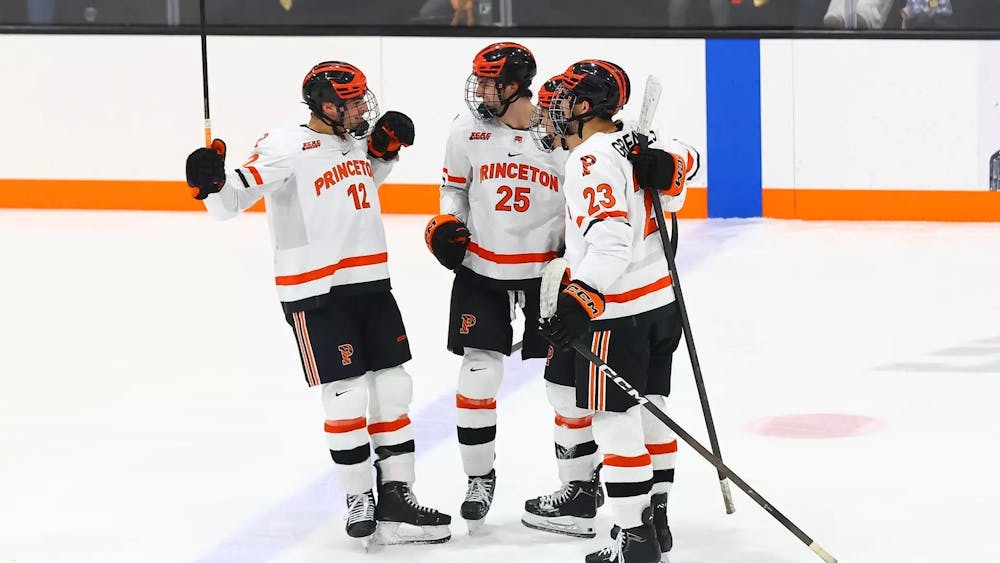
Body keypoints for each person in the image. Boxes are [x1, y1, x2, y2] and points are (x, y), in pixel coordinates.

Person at [184, 60, 451, 547]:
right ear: (327, 106)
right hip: (316, 291)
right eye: (352, 102)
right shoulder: (284, 147)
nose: (362, 108)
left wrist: (384, 153)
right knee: (345, 392)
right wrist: (211, 182)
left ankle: (398, 498)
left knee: (394, 387)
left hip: (371, 282)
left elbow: (359, 183)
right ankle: (358, 497)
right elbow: (228, 204)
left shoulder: (350, 142)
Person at [423, 43, 602, 535]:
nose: (481, 91)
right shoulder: (466, 130)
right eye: (479, 81)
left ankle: (580, 483)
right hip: (482, 270)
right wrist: (445, 224)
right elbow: (454, 190)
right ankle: (479, 479)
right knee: (477, 376)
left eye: (491, 83)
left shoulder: (562, 132)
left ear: (516, 86)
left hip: (546, 276)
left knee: (565, 387)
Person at [533, 59, 699, 562]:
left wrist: (580, 300)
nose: (553, 111)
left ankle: (634, 540)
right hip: (660, 302)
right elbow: (686, 162)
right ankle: (657, 521)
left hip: (617, 308)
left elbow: (609, 244)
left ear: (584, 107)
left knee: (613, 422)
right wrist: (671, 168)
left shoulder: (586, 161)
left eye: (562, 100)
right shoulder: (638, 141)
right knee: (652, 411)